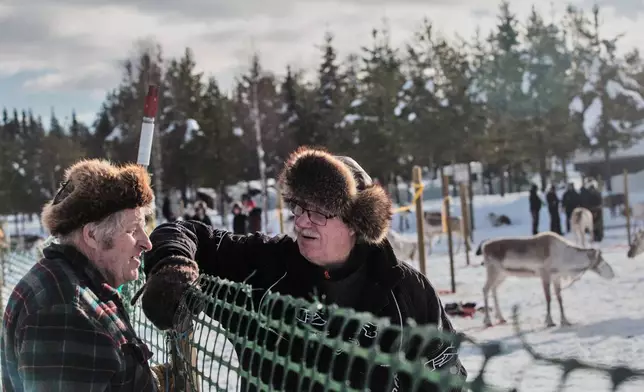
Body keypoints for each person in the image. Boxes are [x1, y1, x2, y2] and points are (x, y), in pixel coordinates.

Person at [139, 147, 467, 392]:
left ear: (356, 222)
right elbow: (182, 231)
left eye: (319, 211)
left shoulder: (405, 289)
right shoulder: (266, 264)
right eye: (298, 206)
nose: (301, 220)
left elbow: (446, 373)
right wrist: (172, 266)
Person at [0, 159, 172, 391]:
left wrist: (150, 381)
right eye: (132, 230)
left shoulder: (79, 289)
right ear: (92, 235)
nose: (146, 243)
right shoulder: (64, 312)